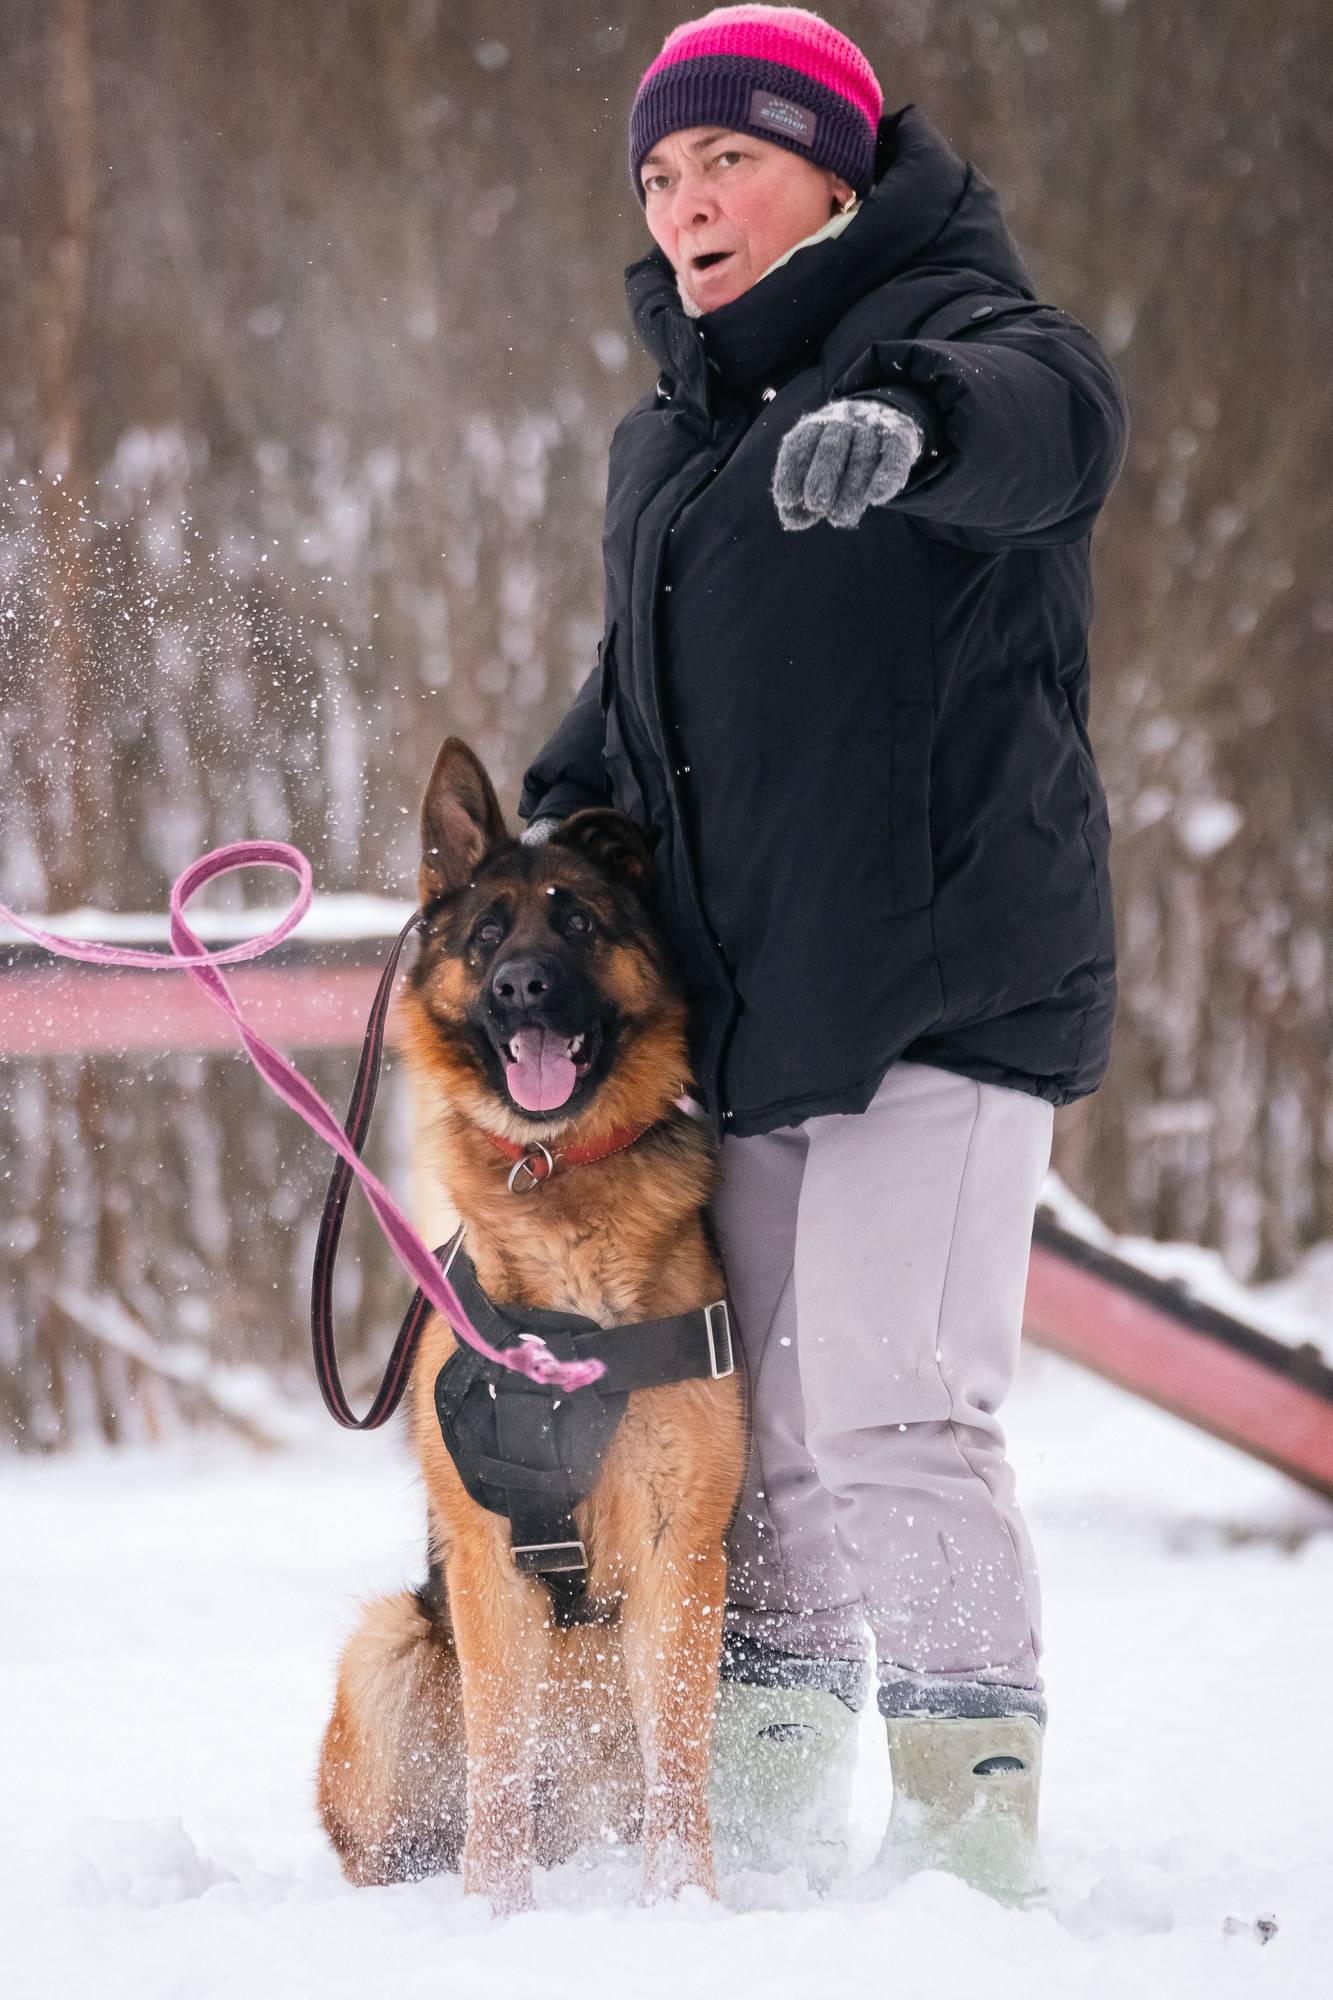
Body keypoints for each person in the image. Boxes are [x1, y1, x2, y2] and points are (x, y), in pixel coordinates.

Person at [520, 4, 1127, 1882]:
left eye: (727, 159)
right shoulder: (674, 439)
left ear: (837, 178)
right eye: (659, 172)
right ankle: (768, 1819)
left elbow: (1052, 425)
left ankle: (967, 1839)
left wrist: (914, 421)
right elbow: (646, 700)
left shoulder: (965, 339)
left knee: (887, 1399)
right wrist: (551, 819)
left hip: (941, 985)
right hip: (754, 1010)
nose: (685, 201)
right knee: (758, 1435)